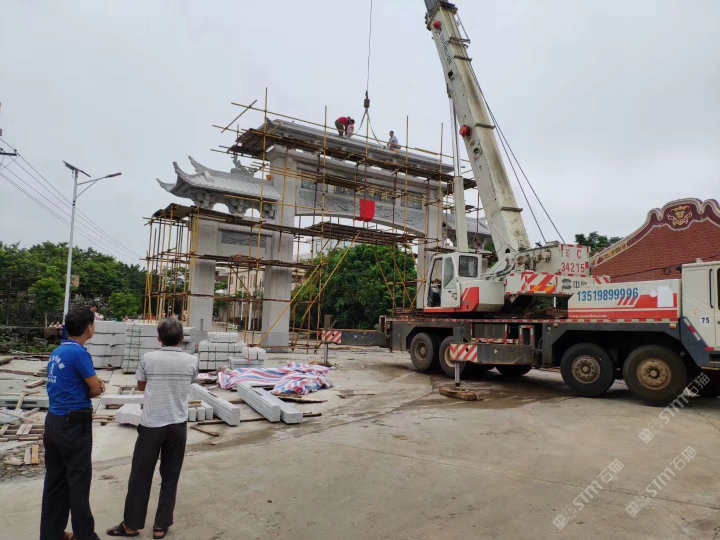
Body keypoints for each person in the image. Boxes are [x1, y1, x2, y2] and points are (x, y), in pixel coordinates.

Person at [107, 318, 198, 539]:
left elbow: (141, 385)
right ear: (181, 338)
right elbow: (190, 382)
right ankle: (160, 526)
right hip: (177, 424)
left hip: (152, 425)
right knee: (171, 475)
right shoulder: (191, 360)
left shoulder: (149, 358)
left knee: (140, 474)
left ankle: (131, 525)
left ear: (159, 338)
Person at [41, 308, 104, 540]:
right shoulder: (79, 353)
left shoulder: (58, 351)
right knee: (78, 482)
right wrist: (97, 387)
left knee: (55, 482)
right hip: (74, 425)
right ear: (89, 328)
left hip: (54, 421)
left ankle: (51, 534)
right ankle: (85, 536)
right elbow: (94, 388)